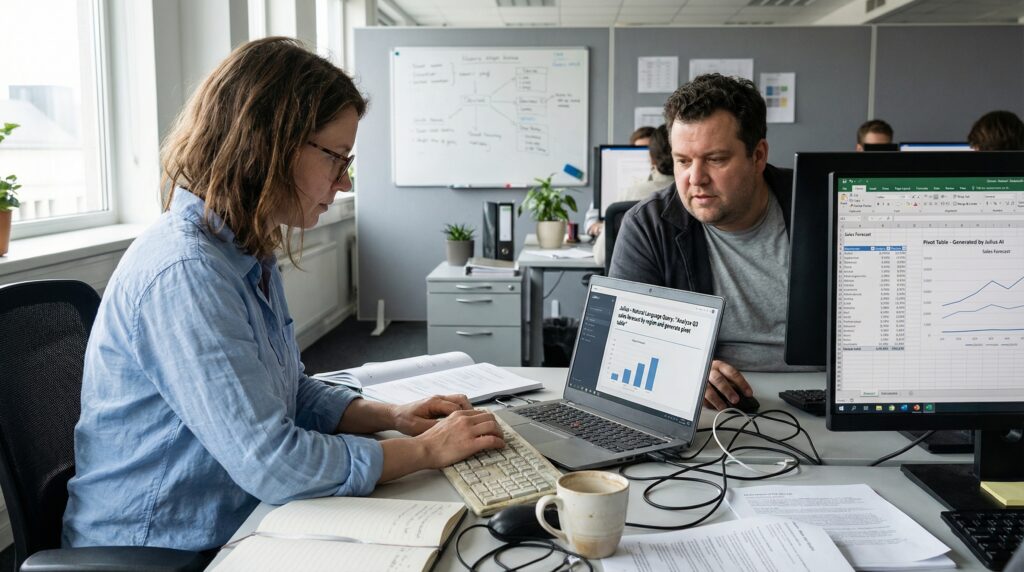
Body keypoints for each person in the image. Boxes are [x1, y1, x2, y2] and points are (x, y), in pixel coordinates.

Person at [62, 37, 504, 552]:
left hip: (239, 513)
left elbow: (289, 392)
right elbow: (275, 463)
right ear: (268, 145)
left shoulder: (245, 250)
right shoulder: (187, 271)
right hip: (163, 547)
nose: (344, 182)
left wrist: (394, 417)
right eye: (336, 158)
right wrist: (426, 452)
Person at [609, 73, 816, 411]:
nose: (695, 178)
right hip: (712, 406)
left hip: (820, 396)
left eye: (716, 159)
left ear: (758, 156)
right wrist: (684, 368)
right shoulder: (648, 226)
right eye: (683, 161)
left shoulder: (820, 205)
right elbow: (623, 346)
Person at [593, 124, 673, 267]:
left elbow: (601, 257)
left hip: (633, 284)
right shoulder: (694, 194)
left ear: (651, 159)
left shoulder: (629, 194)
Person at [584, 126, 656, 237]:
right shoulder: (610, 182)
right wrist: (601, 229)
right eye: (639, 151)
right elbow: (591, 222)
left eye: (648, 152)